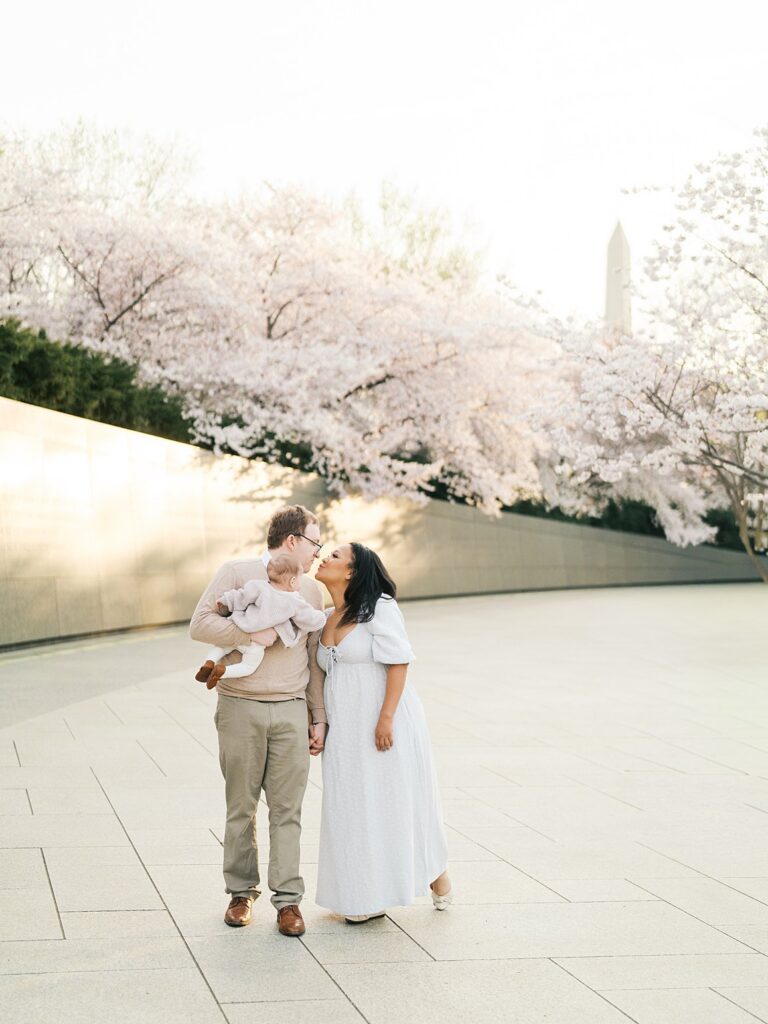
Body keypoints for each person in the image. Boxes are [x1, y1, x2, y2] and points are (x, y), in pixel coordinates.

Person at [189, 505, 327, 937]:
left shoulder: (314, 591)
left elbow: (314, 658)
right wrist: (249, 636)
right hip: (239, 705)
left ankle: (288, 902)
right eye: (314, 543)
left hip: (290, 707)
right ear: (292, 541)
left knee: (288, 810)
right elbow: (201, 624)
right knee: (241, 807)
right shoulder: (236, 572)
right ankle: (240, 893)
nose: (318, 553)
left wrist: (318, 715)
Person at [313, 542, 451, 922]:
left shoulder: (379, 608)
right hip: (346, 727)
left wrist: (386, 717)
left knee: (394, 801)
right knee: (351, 807)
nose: (325, 558)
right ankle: (361, 892)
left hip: (384, 722)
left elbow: (399, 661)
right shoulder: (324, 617)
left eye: (335, 556)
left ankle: (435, 871)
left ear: (352, 572)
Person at [195, 553, 327, 688]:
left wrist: (225, 600)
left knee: (221, 647)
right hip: (257, 645)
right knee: (248, 666)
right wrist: (323, 617)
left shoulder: (259, 586)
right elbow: (309, 618)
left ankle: (209, 661)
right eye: (300, 579)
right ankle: (222, 672)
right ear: (293, 581)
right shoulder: (294, 601)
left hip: (242, 627)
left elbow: (241, 596)